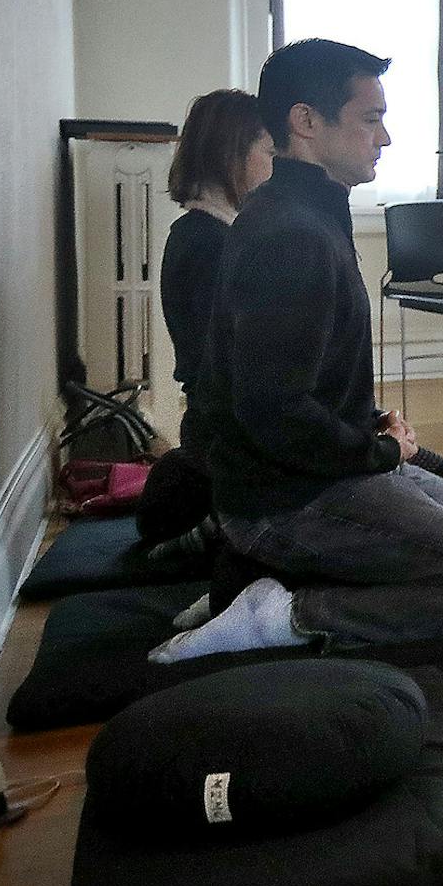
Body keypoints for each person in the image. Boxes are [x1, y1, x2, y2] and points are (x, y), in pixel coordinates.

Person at [151, 39, 443, 662]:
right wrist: (380, 450)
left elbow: (304, 375)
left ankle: (285, 584)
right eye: (370, 119)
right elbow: (273, 410)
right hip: (288, 500)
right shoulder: (289, 234)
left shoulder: (308, 213)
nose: (383, 138)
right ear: (306, 123)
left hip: (312, 472)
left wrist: (371, 422)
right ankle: (281, 613)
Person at [136, 89, 275, 546]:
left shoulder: (208, 235)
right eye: (270, 151)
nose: (276, 167)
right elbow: (233, 379)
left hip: (226, 434)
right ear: (234, 155)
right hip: (228, 444)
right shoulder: (210, 246)